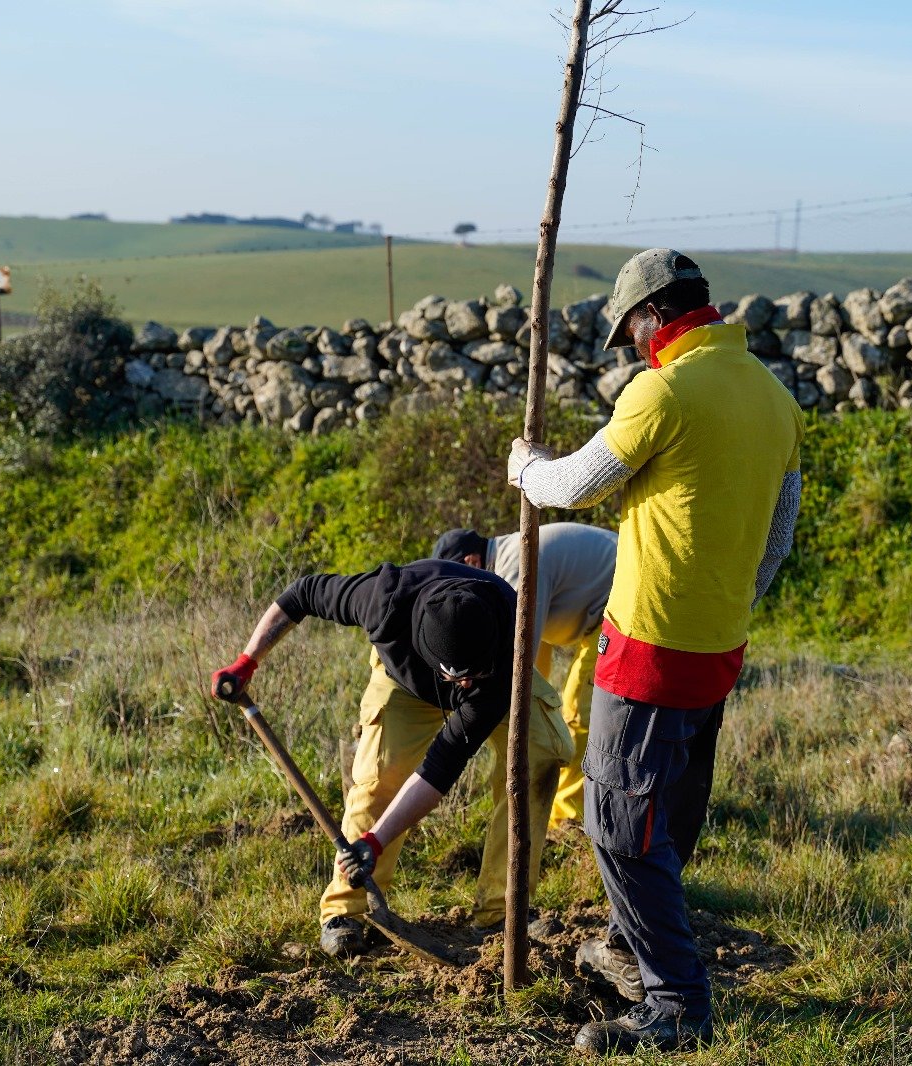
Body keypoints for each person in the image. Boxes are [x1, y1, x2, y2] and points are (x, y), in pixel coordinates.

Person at [507, 248, 803, 1054]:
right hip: (719, 646)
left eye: (631, 332)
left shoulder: (661, 392)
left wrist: (526, 468)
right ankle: (625, 943)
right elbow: (778, 539)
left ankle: (675, 1002)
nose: (632, 349)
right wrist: (728, 604)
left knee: (616, 822)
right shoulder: (776, 400)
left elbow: (574, 485)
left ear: (653, 316)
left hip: (647, 646)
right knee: (667, 812)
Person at [210, 559, 573, 958]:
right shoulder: (383, 601)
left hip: (499, 683)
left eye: (473, 674)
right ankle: (347, 910)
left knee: (538, 756)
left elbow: (441, 767)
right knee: (381, 775)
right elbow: (301, 594)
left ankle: (503, 911)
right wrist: (247, 661)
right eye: (457, 677)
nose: (465, 684)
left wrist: (377, 839)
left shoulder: (508, 643)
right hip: (403, 682)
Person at [431, 522, 618, 827]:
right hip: (593, 611)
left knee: (577, 710)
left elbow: (519, 649)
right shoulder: (506, 560)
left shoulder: (516, 567)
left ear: (471, 562)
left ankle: (569, 819)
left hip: (619, 608)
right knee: (529, 704)